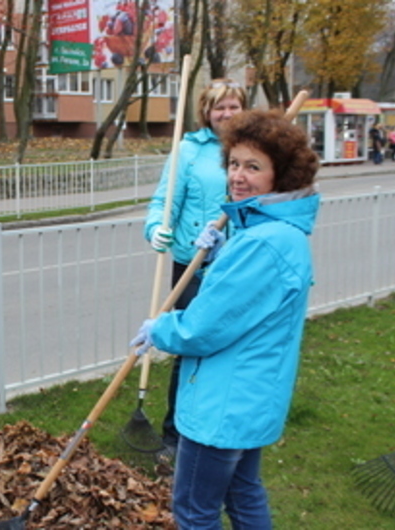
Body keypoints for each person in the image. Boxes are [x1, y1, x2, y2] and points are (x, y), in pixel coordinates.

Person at [132, 109, 320, 529]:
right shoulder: (270, 234)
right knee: (243, 492)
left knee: (195, 511)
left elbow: (204, 326)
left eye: (253, 167)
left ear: (282, 175)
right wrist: (218, 256)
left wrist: (161, 329)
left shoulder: (264, 244)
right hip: (250, 397)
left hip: (224, 403)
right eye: (234, 164)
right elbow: (242, 303)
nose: (238, 176)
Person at [142, 78, 248, 463]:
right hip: (192, 265)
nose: (226, 114)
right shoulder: (187, 150)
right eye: (219, 107)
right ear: (206, 111)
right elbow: (163, 201)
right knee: (189, 347)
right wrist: (156, 228)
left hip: (237, 266)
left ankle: (218, 429)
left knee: (229, 347)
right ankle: (175, 435)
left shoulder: (252, 150)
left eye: (233, 106)